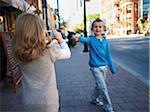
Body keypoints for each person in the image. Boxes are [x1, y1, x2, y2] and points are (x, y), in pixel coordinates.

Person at [12, 13, 71, 112]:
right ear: (40, 31)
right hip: (48, 102)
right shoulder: (49, 50)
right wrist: (60, 39)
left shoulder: (17, 52)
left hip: (28, 101)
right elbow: (67, 54)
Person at [74, 19, 116, 112]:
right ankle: (108, 107)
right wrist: (77, 38)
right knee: (103, 87)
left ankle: (93, 99)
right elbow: (82, 39)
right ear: (92, 29)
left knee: (99, 85)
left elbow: (108, 55)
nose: (98, 28)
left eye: (100, 27)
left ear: (103, 28)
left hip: (104, 67)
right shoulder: (91, 40)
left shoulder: (105, 42)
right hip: (95, 68)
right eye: (95, 27)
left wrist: (112, 67)